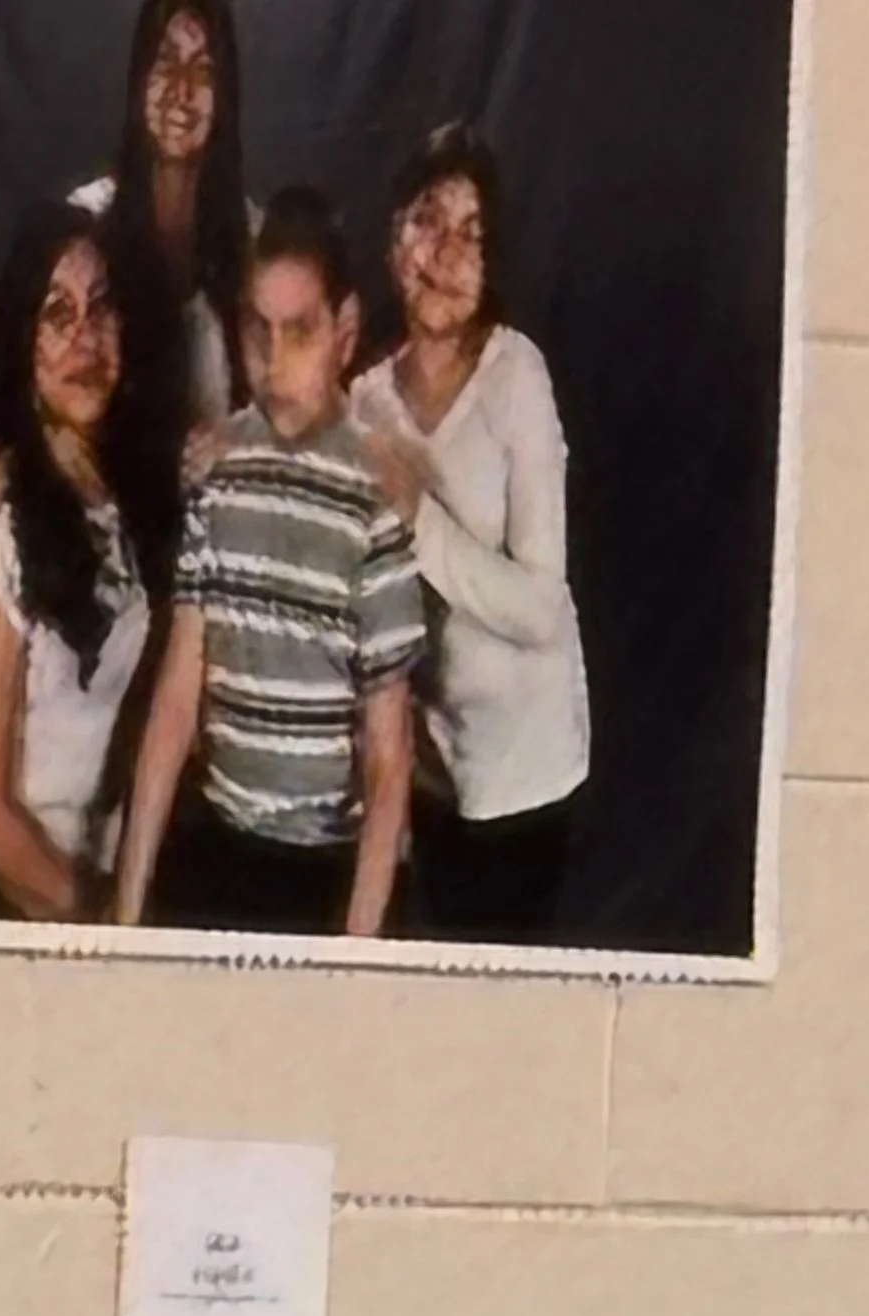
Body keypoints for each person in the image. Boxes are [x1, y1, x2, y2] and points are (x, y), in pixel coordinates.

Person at [114, 193, 423, 940]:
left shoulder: (372, 500)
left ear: (344, 332)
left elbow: (389, 762)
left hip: (327, 871)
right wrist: (125, 913)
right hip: (222, 848)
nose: (274, 361)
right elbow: (176, 701)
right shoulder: (219, 472)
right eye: (259, 331)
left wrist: (355, 951)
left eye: (300, 332)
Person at [352, 127, 593, 944]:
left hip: (528, 775)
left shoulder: (517, 374)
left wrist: (419, 515)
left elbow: (539, 609)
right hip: (425, 776)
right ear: (394, 238)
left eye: (472, 234)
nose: (446, 253)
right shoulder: (365, 401)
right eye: (428, 221)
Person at [0, 208, 153, 922]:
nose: (85, 340)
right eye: (57, 315)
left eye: (101, 309)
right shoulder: (2, 521)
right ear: (22, 341)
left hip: (104, 888)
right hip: (19, 908)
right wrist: (94, 920)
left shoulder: (125, 500)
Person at [71, 0, 252, 569]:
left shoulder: (255, 240)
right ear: (137, 79)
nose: (181, 90)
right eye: (165, 62)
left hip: (225, 554)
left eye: (203, 69)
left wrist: (243, 441)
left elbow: (291, 407)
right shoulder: (84, 228)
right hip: (102, 552)